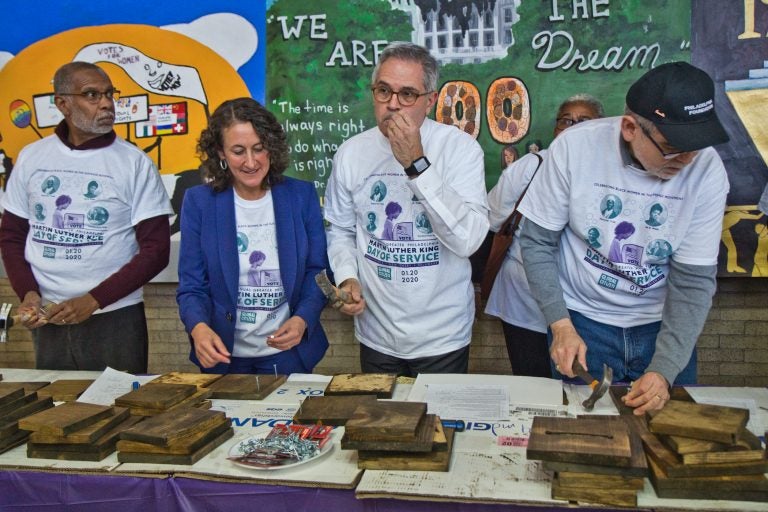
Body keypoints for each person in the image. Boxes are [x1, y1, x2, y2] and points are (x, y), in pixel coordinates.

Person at [518, 62, 730, 415]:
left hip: (660, 327)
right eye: (672, 147)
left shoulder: (707, 170)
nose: (688, 159)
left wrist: (665, 367)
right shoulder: (575, 148)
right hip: (584, 322)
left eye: (696, 145)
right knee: (585, 436)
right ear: (631, 128)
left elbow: (693, 283)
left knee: (667, 434)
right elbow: (537, 242)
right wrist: (560, 324)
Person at [324, 42, 489, 376]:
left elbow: (468, 241)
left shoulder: (460, 150)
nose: (393, 105)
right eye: (384, 91)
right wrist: (347, 276)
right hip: (376, 333)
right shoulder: (351, 153)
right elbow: (340, 229)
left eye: (407, 94)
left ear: (430, 100)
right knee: (378, 425)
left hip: (443, 336)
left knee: (441, 427)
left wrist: (417, 163)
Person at [0, 61, 172, 373]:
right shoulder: (32, 158)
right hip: (48, 316)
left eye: (109, 94)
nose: (106, 103)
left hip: (115, 317)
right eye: (92, 95)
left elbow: (157, 250)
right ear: (62, 103)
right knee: (56, 409)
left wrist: (94, 300)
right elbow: (12, 236)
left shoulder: (134, 163)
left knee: (120, 411)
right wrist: (28, 292)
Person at [177, 97, 329, 375]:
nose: (251, 162)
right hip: (224, 358)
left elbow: (317, 271)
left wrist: (303, 319)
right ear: (221, 153)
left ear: (271, 146)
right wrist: (198, 328)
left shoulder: (300, 196)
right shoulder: (199, 203)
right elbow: (192, 285)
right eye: (238, 151)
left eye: (259, 149)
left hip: (289, 356)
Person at [485, 94, 604, 377]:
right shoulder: (530, 166)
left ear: (601, 127)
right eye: (566, 121)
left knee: (574, 378)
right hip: (523, 299)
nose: (573, 127)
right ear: (555, 129)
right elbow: (492, 217)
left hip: (583, 306)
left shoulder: (607, 173)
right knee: (533, 381)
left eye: (584, 121)